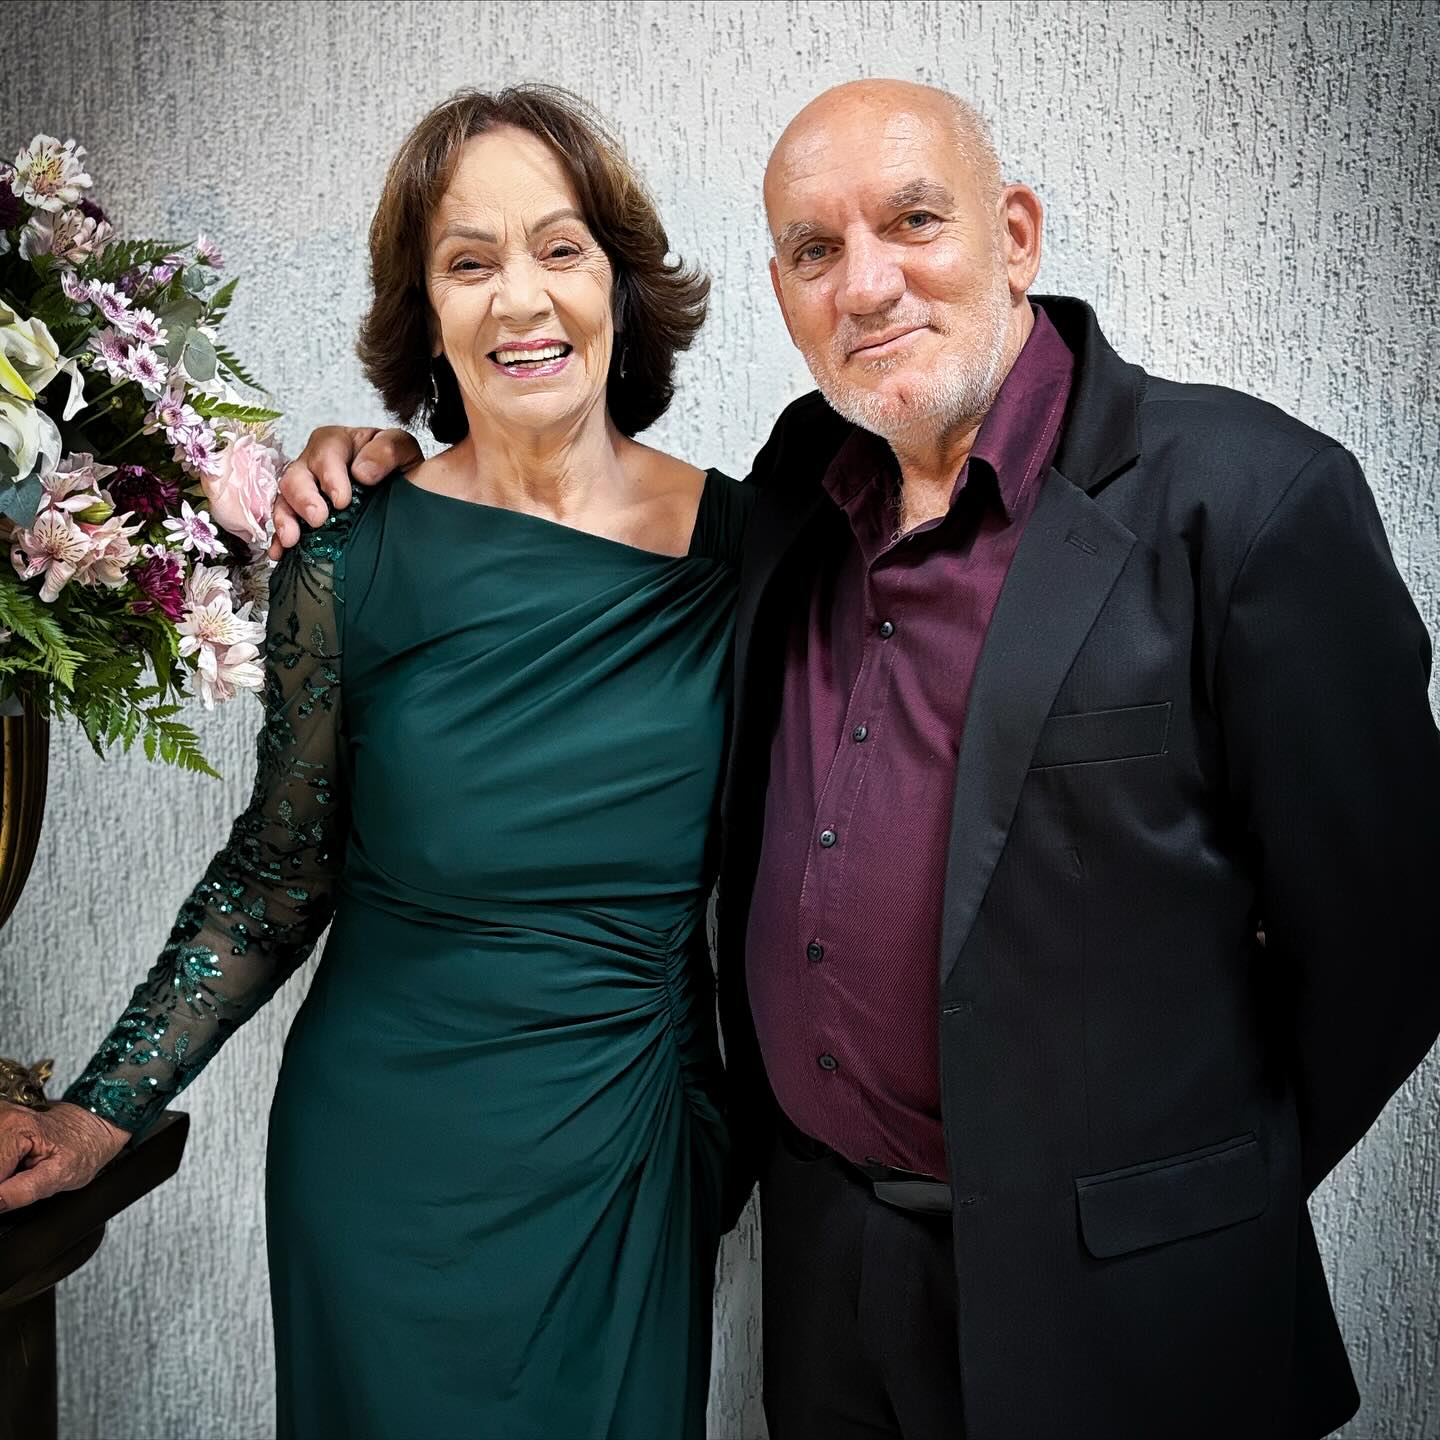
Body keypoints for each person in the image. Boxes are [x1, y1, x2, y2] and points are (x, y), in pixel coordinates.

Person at [276, 78, 1440, 1439]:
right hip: (831, 1281)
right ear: (780, 290)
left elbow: (1395, 941)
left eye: (914, 222)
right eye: (817, 250)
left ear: (1016, 234)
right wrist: (368, 458)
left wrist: (1191, 1199)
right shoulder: (798, 489)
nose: (868, 284)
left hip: (1122, 1314)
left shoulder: (1245, 498)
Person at [0, 85, 753, 1439]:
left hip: (627, 1151)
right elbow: (277, 875)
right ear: (428, 311)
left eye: (560, 247)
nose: (520, 298)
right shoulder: (346, 553)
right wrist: (96, 1117)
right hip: (381, 1168)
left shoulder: (749, 551)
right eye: (469, 262)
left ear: (621, 283)